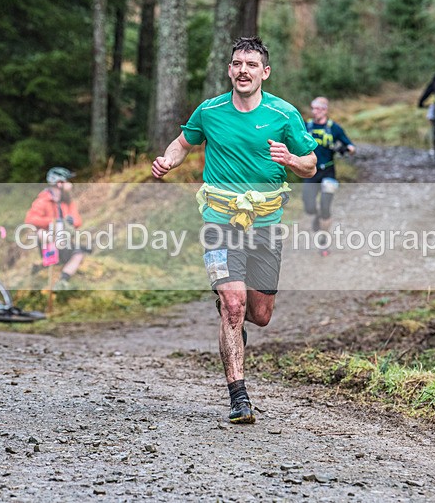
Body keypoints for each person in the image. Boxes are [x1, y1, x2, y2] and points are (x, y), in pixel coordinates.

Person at [152, 36, 317, 424]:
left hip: (265, 224)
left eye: (251, 65)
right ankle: (238, 396)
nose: (243, 70)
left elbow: (311, 165)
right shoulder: (210, 111)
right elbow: (182, 143)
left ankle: (233, 316)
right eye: (237, 63)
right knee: (234, 306)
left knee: (259, 315)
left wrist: (291, 158)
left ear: (265, 72)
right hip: (220, 220)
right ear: (229, 70)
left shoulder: (284, 114)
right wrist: (167, 161)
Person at [303, 97, 356, 257]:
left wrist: (343, 149)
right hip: (311, 172)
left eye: (318, 108)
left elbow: (351, 147)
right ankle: (317, 216)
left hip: (328, 172)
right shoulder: (307, 126)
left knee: (326, 206)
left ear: (325, 110)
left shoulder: (334, 128)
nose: (315, 111)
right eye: (313, 108)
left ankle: (323, 242)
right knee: (309, 206)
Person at [25, 167, 86, 290]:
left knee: (80, 253)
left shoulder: (68, 202)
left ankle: (63, 279)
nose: (70, 185)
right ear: (59, 183)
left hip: (65, 242)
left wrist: (69, 222)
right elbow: (30, 219)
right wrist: (53, 222)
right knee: (42, 233)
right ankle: (49, 262)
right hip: (49, 242)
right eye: (68, 181)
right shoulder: (43, 201)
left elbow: (78, 221)